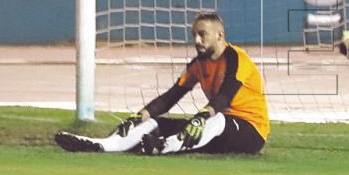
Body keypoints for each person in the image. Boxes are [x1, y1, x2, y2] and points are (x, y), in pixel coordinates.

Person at [54, 12, 269, 155]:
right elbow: (171, 97)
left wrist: (200, 118)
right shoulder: (198, 64)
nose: (196, 40)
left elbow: (225, 96)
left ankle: (164, 147)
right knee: (154, 123)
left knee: (217, 119)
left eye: (202, 34)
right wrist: (141, 115)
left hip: (250, 133)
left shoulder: (236, 59)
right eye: (194, 35)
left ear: (220, 35)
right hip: (215, 131)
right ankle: (100, 145)